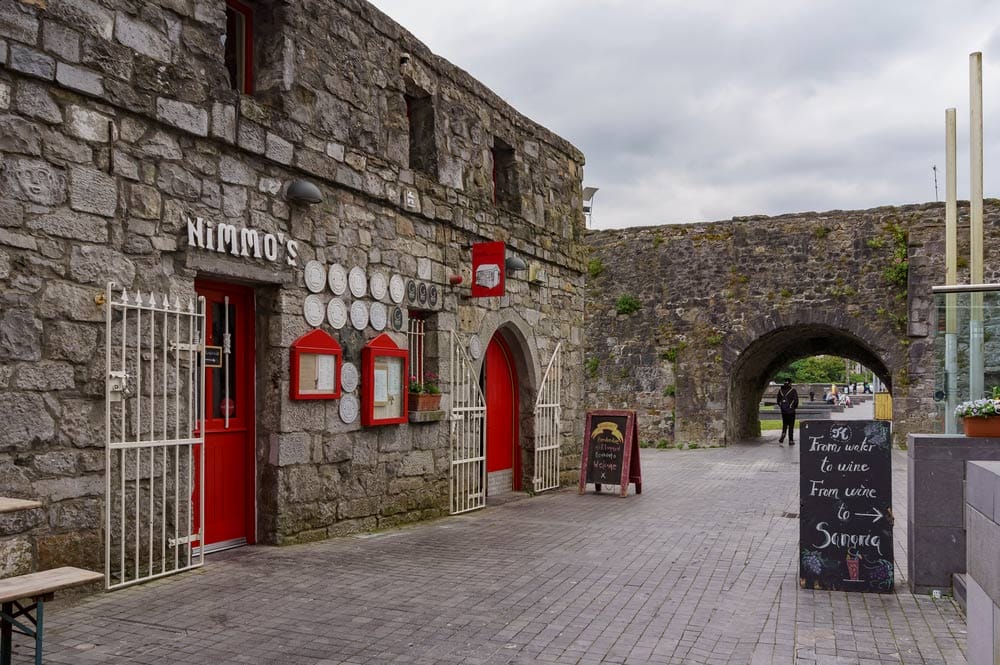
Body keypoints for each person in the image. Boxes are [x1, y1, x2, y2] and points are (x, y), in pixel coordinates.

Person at [777, 378, 799, 446]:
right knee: (791, 426)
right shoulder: (793, 390)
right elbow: (796, 400)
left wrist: (782, 408)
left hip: (783, 411)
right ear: (790, 383)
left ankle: (783, 433)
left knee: (785, 424)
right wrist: (793, 408)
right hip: (791, 411)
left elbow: (778, 401)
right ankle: (791, 440)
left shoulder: (780, 390)